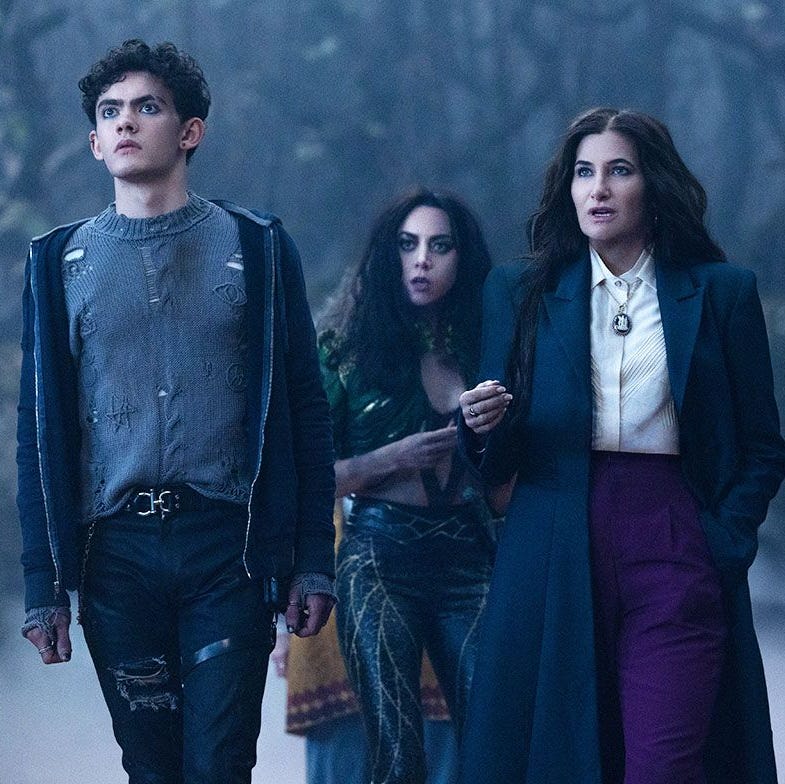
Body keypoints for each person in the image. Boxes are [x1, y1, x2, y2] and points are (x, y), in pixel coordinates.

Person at [16, 39, 336, 783]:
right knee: (151, 768)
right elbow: (38, 433)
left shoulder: (257, 247)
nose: (126, 122)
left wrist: (313, 562)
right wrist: (42, 588)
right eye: (110, 112)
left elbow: (305, 408)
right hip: (115, 553)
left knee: (220, 764)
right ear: (95, 143)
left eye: (147, 107)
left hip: (228, 545)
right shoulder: (58, 264)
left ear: (190, 130)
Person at [458, 107, 785, 784]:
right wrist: (480, 427)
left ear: (653, 185)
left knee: (664, 763)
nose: (597, 189)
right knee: (562, 760)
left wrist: (720, 539)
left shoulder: (721, 293)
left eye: (618, 171)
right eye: (583, 173)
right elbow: (496, 453)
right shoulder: (520, 291)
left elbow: (761, 445)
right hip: (550, 539)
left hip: (672, 537)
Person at [320, 188, 495, 784]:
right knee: (396, 754)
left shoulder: (488, 344)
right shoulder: (345, 347)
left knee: (495, 738)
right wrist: (389, 458)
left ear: (461, 258)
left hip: (470, 552)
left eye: (440, 246)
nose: (422, 260)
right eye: (407, 244)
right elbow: (309, 477)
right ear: (386, 255)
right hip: (378, 556)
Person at [273, 502, 459, 784]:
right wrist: (280, 626)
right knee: (341, 758)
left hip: (434, 607)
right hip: (330, 628)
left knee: (435, 754)